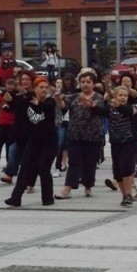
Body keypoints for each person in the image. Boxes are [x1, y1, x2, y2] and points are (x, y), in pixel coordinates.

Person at [4, 77, 57, 207]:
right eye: (41, 87)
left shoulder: (50, 101)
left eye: (46, 87)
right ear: (35, 89)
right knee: (25, 168)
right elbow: (17, 105)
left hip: (49, 142)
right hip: (34, 140)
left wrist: (39, 105)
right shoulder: (28, 100)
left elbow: (48, 109)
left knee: (43, 168)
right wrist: (9, 101)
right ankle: (16, 198)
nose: (44, 89)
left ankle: (47, 198)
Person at [54, 69, 105, 199]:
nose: (85, 84)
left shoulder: (98, 97)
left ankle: (88, 186)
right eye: (83, 82)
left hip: (92, 136)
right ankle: (68, 188)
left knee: (90, 163)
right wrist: (58, 98)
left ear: (93, 83)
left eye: (88, 82)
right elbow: (62, 105)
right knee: (74, 162)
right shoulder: (75, 96)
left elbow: (100, 111)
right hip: (75, 135)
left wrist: (92, 105)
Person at [105, 86, 137, 206]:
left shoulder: (129, 107)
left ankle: (129, 194)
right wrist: (92, 105)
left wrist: (119, 106)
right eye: (120, 95)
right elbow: (100, 111)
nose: (123, 97)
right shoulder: (110, 108)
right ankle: (124, 195)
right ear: (115, 96)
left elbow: (127, 113)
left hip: (128, 142)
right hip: (115, 142)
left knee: (126, 168)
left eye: (125, 95)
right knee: (117, 171)